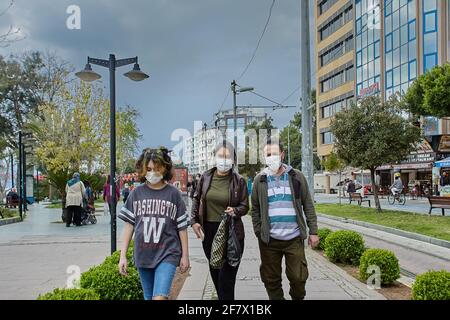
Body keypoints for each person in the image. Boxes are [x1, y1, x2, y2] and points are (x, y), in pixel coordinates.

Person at [251, 138, 319, 300]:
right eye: (268, 154)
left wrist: (313, 232)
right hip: (269, 241)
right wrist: (259, 231)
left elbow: (308, 205)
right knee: (271, 279)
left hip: (293, 238)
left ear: (282, 154)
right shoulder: (259, 180)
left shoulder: (296, 177)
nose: (271, 157)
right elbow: (255, 209)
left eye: (274, 153)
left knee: (298, 277)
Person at [118, 147, 190, 300]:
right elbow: (129, 226)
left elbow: (182, 228)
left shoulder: (174, 194)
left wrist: (185, 256)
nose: (153, 173)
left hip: (168, 253)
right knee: (148, 297)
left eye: (157, 169)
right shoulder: (136, 194)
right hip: (143, 254)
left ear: (165, 168)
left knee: (160, 297)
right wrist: (122, 256)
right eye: (149, 169)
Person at [191, 140, 249, 300]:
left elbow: (245, 206)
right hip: (209, 233)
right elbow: (196, 199)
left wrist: (235, 210)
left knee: (226, 281)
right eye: (221, 156)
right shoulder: (205, 177)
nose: (224, 160)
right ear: (214, 157)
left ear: (233, 159)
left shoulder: (239, 181)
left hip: (231, 234)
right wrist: (194, 221)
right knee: (216, 275)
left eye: (228, 156)